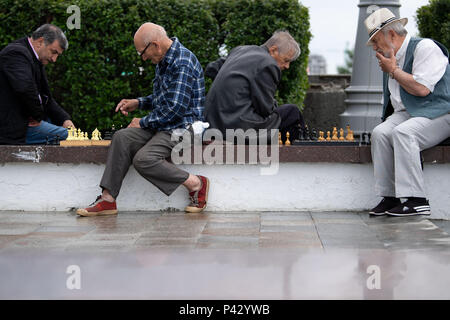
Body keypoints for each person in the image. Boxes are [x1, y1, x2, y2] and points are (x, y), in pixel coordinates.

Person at [76, 22, 209, 217]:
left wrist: (143, 122)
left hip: (184, 126)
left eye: (142, 53)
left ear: (155, 44)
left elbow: (175, 109)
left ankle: (196, 183)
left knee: (144, 159)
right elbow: (164, 98)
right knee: (122, 137)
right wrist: (138, 103)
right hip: (166, 124)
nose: (143, 58)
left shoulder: (182, 61)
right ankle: (107, 200)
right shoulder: (163, 60)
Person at [365, 8, 450, 216]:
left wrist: (394, 71)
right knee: (380, 133)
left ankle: (416, 200)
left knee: (404, 133)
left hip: (440, 112)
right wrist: (392, 70)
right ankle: (390, 197)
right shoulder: (389, 59)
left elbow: (421, 89)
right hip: (410, 114)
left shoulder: (425, 47)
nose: (374, 47)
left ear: (392, 34)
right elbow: (395, 102)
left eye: (376, 41)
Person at [204, 30, 305, 143]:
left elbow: (211, 69)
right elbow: (265, 109)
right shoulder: (268, 63)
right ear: (273, 50)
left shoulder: (240, 50)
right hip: (237, 128)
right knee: (292, 112)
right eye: (286, 60)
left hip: (212, 124)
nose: (287, 66)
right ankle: (296, 154)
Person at [0, 24, 75, 145]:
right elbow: (24, 88)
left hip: (24, 122)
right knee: (70, 137)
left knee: (71, 133)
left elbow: (46, 99)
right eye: (53, 52)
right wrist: (37, 117)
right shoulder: (16, 53)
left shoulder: (34, 58)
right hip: (14, 128)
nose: (54, 59)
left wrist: (64, 119)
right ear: (40, 42)